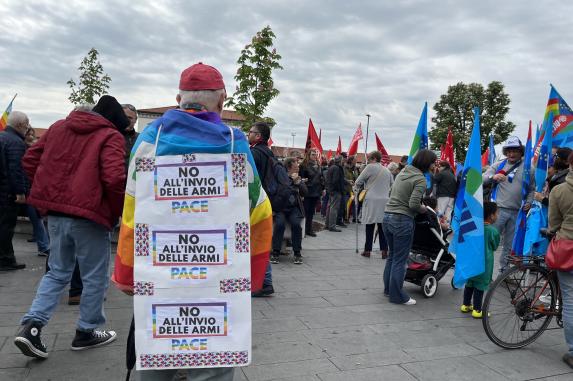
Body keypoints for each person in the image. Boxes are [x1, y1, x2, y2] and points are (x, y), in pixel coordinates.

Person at [113, 63, 272, 380]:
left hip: (159, 273)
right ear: (222, 100)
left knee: (157, 355)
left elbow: (131, 210)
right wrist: (251, 275)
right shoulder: (234, 143)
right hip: (217, 275)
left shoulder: (149, 140)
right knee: (212, 365)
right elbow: (259, 213)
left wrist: (127, 273)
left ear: (177, 98)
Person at [14, 96, 129, 359]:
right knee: (95, 276)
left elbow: (30, 159)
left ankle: (32, 326)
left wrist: (50, 189)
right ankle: (86, 331)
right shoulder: (110, 136)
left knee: (57, 271)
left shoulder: (58, 127)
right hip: (89, 215)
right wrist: (116, 211)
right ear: (114, 122)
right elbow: (113, 179)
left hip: (55, 213)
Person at [383, 149, 436, 305]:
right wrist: (424, 209)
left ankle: (388, 289)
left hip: (387, 216)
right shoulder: (420, 179)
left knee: (392, 257)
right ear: (427, 163)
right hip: (402, 219)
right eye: (433, 162)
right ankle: (397, 296)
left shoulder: (403, 172)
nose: (434, 166)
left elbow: (391, 192)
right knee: (400, 259)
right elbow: (413, 204)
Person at [483, 136, 534, 272]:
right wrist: (492, 177)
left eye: (515, 151)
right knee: (490, 241)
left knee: (509, 245)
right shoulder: (499, 164)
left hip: (517, 212)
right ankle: (482, 268)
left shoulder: (529, 168)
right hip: (497, 211)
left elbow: (531, 189)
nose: (511, 154)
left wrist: (529, 201)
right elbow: (482, 179)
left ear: (521, 152)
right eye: (509, 151)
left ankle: (503, 271)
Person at [548, 151, 573, 369]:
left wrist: (552, 230)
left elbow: (554, 222)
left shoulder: (560, 190)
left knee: (570, 300)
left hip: (567, 247)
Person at [248, 121, 278, 293]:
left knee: (255, 240)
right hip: (267, 200)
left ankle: (264, 282)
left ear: (258, 136)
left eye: (251, 131)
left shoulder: (253, 153)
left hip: (255, 201)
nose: (248, 134)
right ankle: (263, 280)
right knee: (260, 240)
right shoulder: (269, 153)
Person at [0, 111, 30, 271]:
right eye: (26, 125)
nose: (27, 128)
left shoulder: (2, 137)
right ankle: (6, 260)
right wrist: (20, 192)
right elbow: (16, 169)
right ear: (19, 125)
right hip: (8, 194)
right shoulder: (16, 143)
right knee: (6, 227)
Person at [460, 201, 501, 318]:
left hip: (471, 260)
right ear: (491, 215)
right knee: (480, 285)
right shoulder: (492, 231)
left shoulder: (472, 227)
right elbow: (494, 246)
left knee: (470, 283)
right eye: (497, 213)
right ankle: (477, 310)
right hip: (484, 263)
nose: (497, 216)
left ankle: (466, 304)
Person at [354, 151, 393, 258]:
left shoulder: (370, 167)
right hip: (384, 201)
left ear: (374, 158)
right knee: (382, 227)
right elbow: (392, 185)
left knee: (370, 225)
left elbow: (358, 181)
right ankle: (385, 250)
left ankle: (367, 251)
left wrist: (358, 189)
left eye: (369, 158)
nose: (368, 160)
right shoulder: (387, 170)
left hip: (371, 200)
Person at [272, 157, 307, 264]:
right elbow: (277, 191)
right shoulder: (280, 178)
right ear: (289, 167)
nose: (298, 168)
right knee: (279, 224)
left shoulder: (298, 178)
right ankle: (276, 252)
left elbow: (305, 192)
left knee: (296, 224)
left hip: (293, 208)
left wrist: (298, 183)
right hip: (281, 208)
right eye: (296, 166)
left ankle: (297, 253)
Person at [299, 148, 322, 237]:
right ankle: (302, 230)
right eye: (312, 154)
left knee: (311, 212)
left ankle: (309, 229)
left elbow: (321, 178)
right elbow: (301, 179)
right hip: (307, 191)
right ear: (308, 155)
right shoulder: (303, 165)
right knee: (305, 211)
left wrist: (322, 188)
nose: (314, 156)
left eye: (315, 154)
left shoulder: (318, 165)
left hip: (316, 192)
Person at [325, 155, 345, 232]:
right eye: (343, 160)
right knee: (334, 208)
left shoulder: (332, 167)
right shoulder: (337, 168)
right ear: (340, 160)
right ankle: (332, 226)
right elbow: (335, 181)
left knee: (330, 207)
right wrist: (337, 190)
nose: (344, 161)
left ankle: (327, 225)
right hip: (335, 191)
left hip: (331, 190)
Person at [122, 103, 139, 171]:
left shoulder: (141, 138)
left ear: (135, 120)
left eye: (130, 118)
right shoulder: (110, 137)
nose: (127, 120)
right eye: (124, 117)